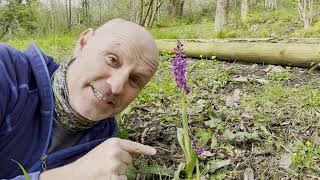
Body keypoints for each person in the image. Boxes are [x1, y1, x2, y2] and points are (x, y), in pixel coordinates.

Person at [0, 18, 159, 180]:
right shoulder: (7, 72)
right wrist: (71, 175)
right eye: (112, 59)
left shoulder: (103, 144)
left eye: (134, 80)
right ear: (83, 43)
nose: (117, 86)